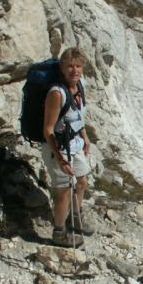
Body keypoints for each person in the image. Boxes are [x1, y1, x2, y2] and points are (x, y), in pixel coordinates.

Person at [42, 47, 94, 246]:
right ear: (62, 69)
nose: (75, 70)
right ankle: (59, 232)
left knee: (82, 182)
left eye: (78, 66)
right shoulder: (56, 93)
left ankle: (77, 217)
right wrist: (61, 159)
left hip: (76, 143)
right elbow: (48, 130)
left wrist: (85, 136)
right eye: (70, 66)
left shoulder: (81, 85)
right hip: (58, 149)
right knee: (63, 191)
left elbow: (78, 116)